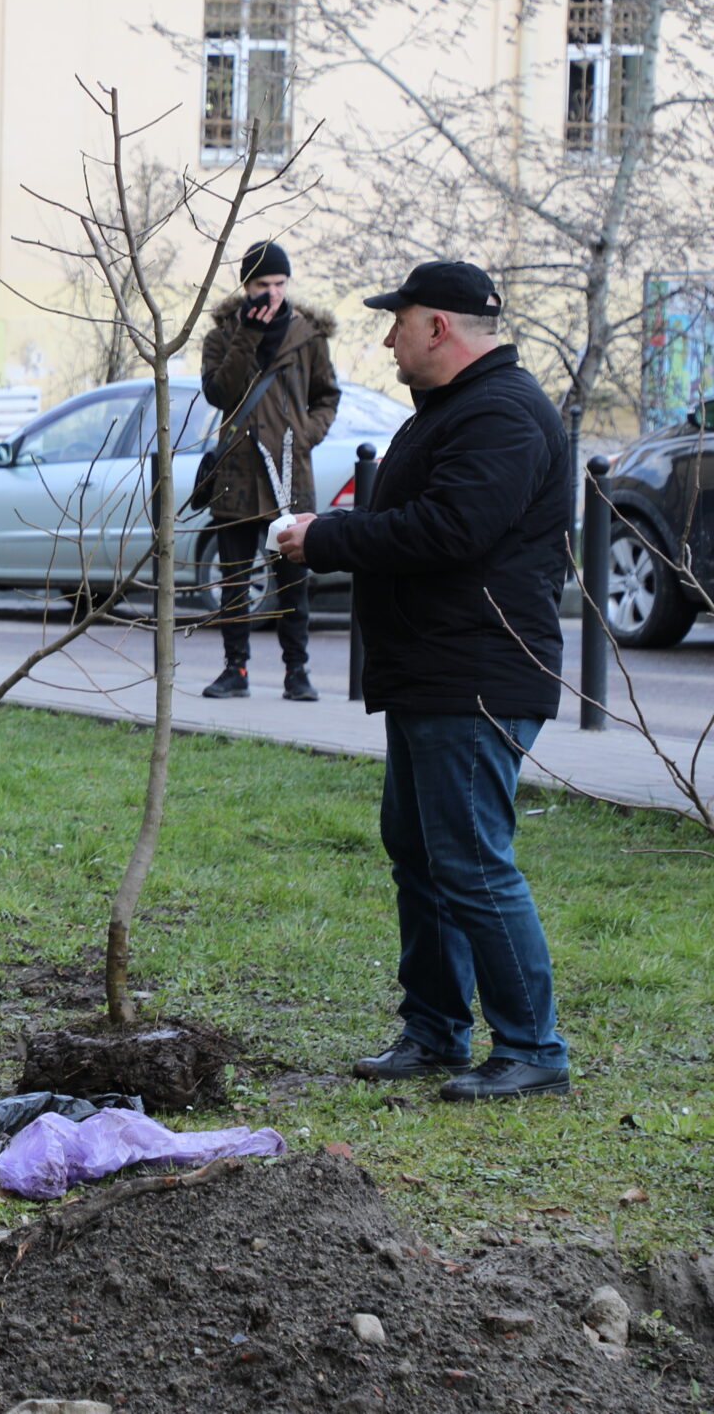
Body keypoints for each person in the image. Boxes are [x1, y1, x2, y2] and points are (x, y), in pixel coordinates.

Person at [280, 260, 573, 1102]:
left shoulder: (504, 415)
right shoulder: (455, 411)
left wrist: (328, 537)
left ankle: (532, 1049)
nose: (388, 339)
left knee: (473, 862)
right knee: (422, 854)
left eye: (398, 322)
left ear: (438, 327)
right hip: (432, 674)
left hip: (475, 677)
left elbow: (451, 530)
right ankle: (437, 1029)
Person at [199, 240, 340, 702]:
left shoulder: (308, 338)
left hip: (288, 475)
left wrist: (306, 434)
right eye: (263, 284)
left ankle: (296, 672)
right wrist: (248, 336)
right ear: (246, 286)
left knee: (292, 583)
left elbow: (327, 395)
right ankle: (234, 670)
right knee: (235, 581)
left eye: (280, 284)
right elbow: (220, 393)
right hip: (236, 475)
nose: (274, 293)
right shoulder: (222, 337)